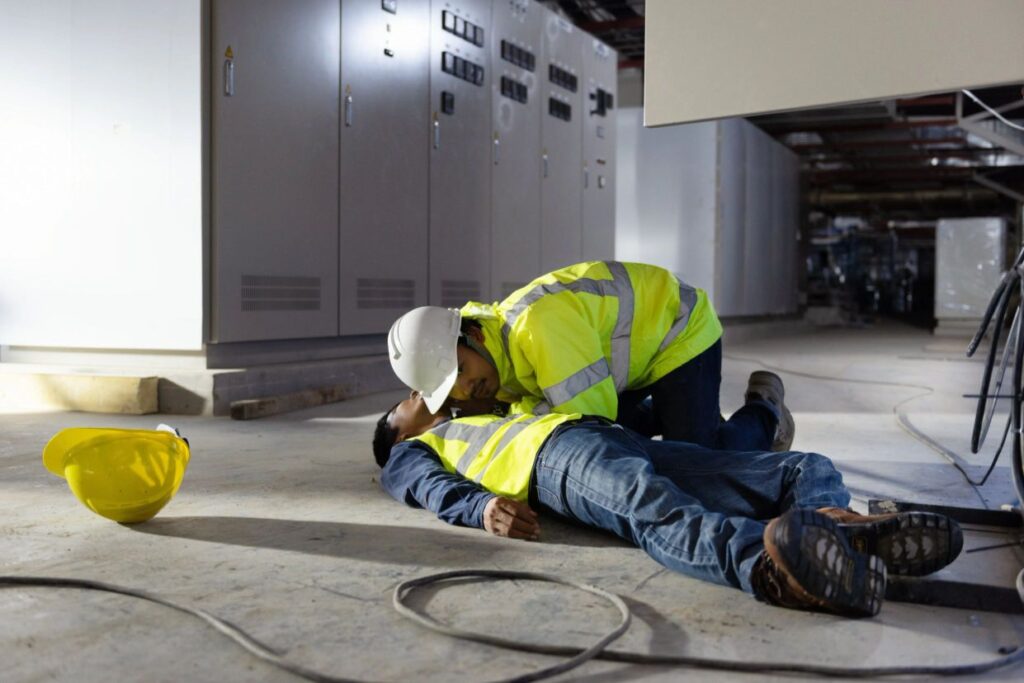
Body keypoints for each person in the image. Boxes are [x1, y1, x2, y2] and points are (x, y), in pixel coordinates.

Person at [372, 392, 963, 618]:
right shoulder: (413, 450)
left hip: (613, 437)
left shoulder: (480, 403)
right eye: (402, 403)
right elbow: (423, 486)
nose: (412, 395)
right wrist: (478, 509)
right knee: (659, 511)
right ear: (398, 434)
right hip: (555, 464)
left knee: (803, 468)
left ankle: (837, 529)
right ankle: (774, 570)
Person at [386, 261, 794, 452]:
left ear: (473, 334)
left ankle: (766, 413)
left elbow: (591, 423)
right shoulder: (496, 360)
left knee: (701, 461)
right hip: (628, 361)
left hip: (676, 329)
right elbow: (535, 410)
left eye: (460, 370)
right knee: (647, 432)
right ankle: (688, 412)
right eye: (451, 387)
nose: (466, 387)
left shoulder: (539, 325)